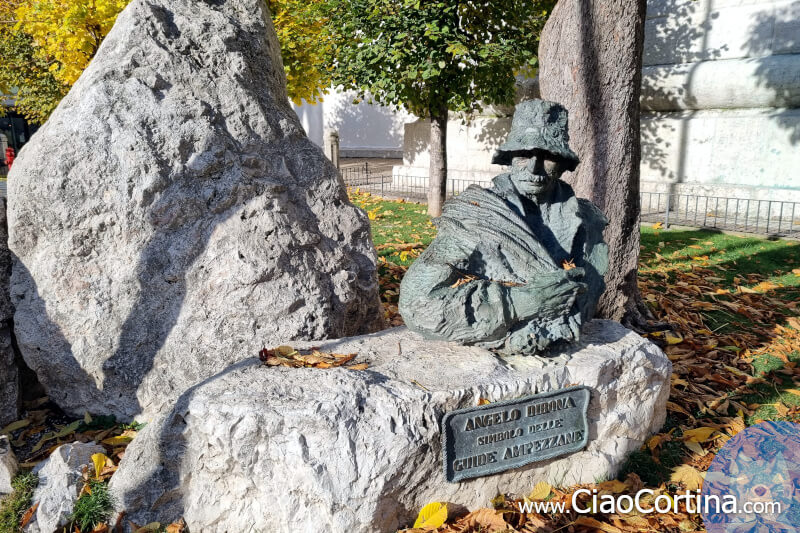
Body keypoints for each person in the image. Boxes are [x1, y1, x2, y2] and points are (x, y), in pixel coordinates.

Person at [398, 99, 609, 355]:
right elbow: (416, 305)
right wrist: (519, 303)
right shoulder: (476, 217)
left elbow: (588, 293)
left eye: (548, 157)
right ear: (509, 159)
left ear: (563, 163)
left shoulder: (589, 222)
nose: (534, 169)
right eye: (523, 155)